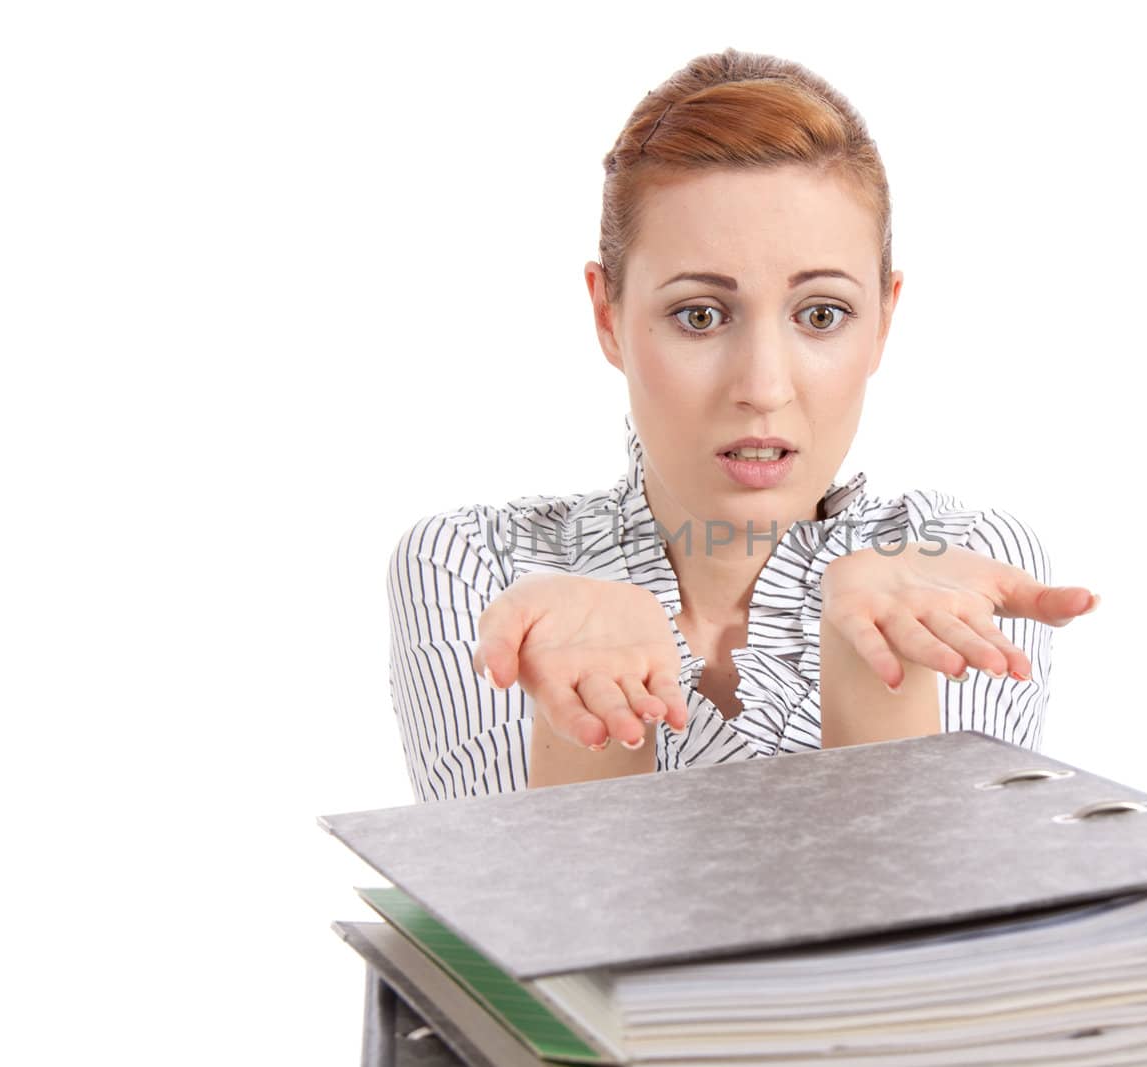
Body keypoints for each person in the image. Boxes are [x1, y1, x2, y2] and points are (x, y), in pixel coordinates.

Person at [387, 47, 1098, 803]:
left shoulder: (955, 563)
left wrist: (878, 677)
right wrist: (588, 726)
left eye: (821, 314)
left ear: (884, 319)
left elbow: (946, 916)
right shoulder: (479, 563)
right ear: (608, 317)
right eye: (699, 315)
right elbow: (501, 915)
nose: (762, 387)